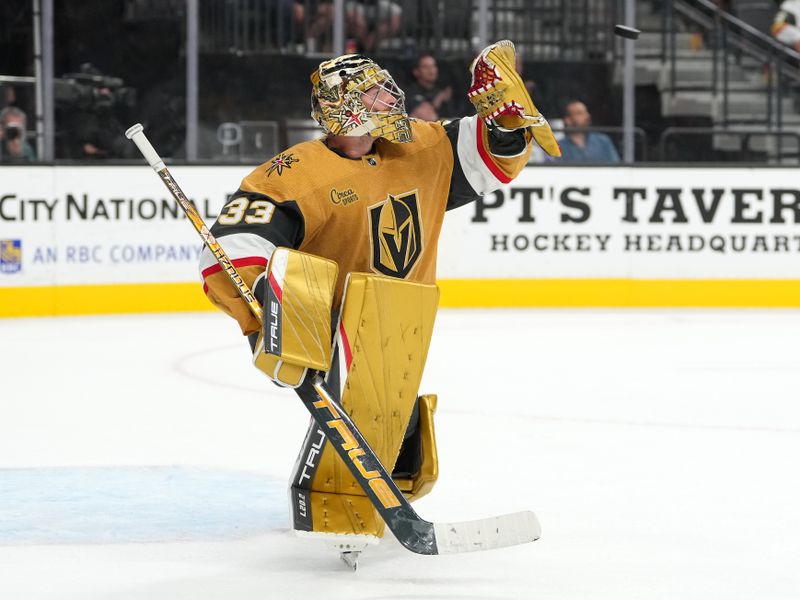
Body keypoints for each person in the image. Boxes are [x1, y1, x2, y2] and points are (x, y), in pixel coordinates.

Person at [198, 42, 561, 565]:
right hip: (331, 322)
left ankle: (386, 501)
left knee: (397, 417)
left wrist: (503, 126)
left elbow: (488, 160)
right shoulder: (292, 173)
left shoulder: (419, 144)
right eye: (373, 90)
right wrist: (267, 311)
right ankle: (336, 510)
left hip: (402, 314)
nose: (390, 95)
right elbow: (231, 250)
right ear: (345, 105)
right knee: (358, 415)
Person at [558, 99, 620, 163]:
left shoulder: (603, 142)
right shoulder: (559, 147)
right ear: (568, 120)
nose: (587, 116)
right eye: (579, 113)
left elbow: (616, 168)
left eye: (586, 112)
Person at [405, 53, 454, 120]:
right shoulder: (410, 92)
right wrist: (437, 101)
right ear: (416, 72)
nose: (431, 70)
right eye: (426, 67)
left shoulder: (441, 91)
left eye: (433, 66)